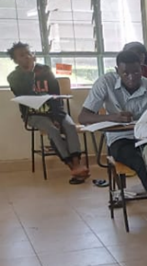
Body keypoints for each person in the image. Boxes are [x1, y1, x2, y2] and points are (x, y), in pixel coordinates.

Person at [80, 50, 147, 199]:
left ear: (142, 69)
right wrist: (113, 117)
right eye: (125, 73)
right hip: (120, 139)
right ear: (117, 71)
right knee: (141, 163)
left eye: (136, 72)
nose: (131, 77)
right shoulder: (105, 83)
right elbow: (83, 117)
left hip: (146, 138)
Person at [7, 42, 89, 183]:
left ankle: (77, 164)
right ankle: (71, 166)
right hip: (34, 115)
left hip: (56, 111)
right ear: (15, 60)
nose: (27, 57)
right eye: (22, 55)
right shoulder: (13, 77)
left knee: (70, 126)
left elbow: (55, 95)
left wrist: (57, 116)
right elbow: (24, 92)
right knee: (52, 130)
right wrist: (30, 72)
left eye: (28, 53)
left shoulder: (45, 71)